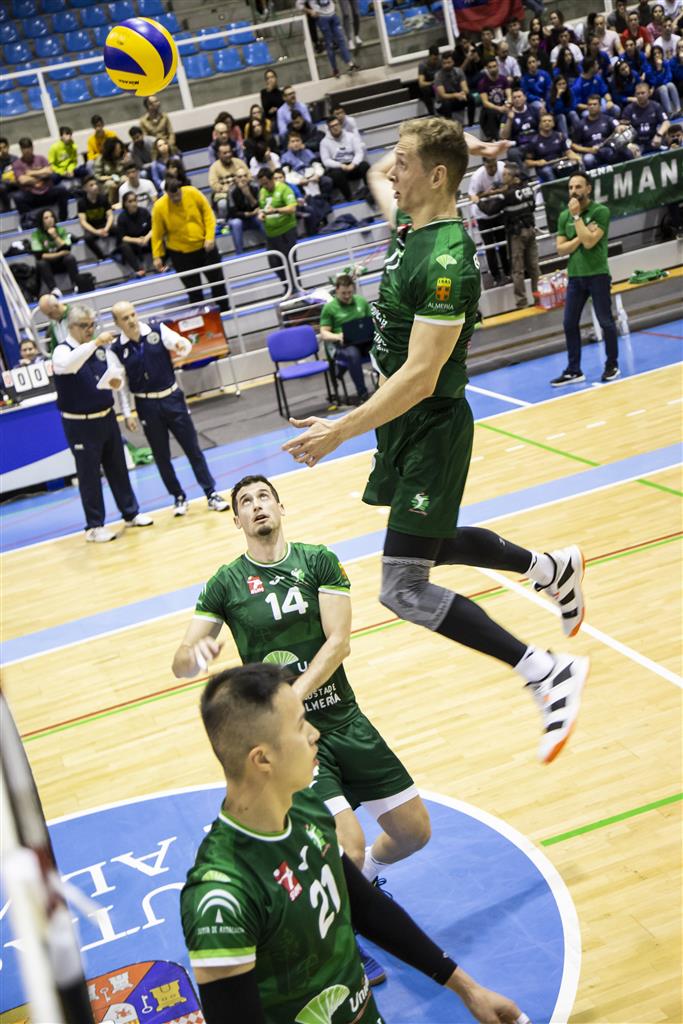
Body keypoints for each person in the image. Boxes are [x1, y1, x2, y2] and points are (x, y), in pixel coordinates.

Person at [283, 118, 589, 766]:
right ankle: (549, 569)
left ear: (435, 176)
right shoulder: (409, 220)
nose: (389, 171)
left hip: (431, 425)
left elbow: (421, 377)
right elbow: (374, 171)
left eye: (402, 162)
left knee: (402, 586)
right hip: (400, 423)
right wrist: (465, 146)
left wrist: (339, 430)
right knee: (431, 541)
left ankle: (544, 671)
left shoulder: (447, 260)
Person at [173, 475, 438, 985]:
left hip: (345, 719)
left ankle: (365, 885)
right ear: (236, 520)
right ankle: (343, 938)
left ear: (280, 507)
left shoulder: (317, 561)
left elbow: (339, 642)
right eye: (245, 502)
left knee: (414, 832)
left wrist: (294, 692)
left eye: (264, 497)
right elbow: (182, 661)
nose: (257, 506)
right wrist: (195, 655)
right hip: (293, 739)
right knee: (347, 845)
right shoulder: (225, 584)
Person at [180, 663, 526, 1024]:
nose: (315, 733)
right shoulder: (221, 897)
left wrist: (468, 990)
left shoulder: (305, 807)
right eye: (300, 724)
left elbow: (365, 906)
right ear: (262, 758)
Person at [110, 301, 229, 515]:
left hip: (172, 398)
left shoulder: (157, 331)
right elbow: (121, 386)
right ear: (117, 322)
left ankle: (211, 493)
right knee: (161, 455)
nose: (131, 320)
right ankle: (178, 496)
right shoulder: (117, 349)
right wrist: (127, 414)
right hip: (146, 404)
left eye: (133, 315)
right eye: (125, 318)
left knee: (192, 448)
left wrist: (182, 346)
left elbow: (182, 344)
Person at [52, 304, 153, 543]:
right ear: (72, 326)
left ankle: (131, 513)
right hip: (80, 424)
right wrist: (95, 343)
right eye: (85, 326)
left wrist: (119, 388)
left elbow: (115, 375)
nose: (90, 330)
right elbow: (68, 365)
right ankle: (94, 526)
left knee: (118, 467)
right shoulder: (62, 351)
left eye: (92, 325)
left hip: (106, 417)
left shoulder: (99, 350)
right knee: (89, 475)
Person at [552, 171, 619, 387]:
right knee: (569, 323)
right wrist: (580, 236)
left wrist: (577, 219)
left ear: (588, 189)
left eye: (578, 187)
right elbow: (561, 249)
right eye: (571, 187)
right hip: (575, 276)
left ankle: (611, 365)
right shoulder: (564, 216)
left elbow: (590, 243)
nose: (574, 191)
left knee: (605, 321)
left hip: (597, 274)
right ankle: (574, 370)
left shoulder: (601, 212)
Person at [151, 180, 229, 314]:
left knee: (218, 283)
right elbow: (157, 233)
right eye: (172, 196)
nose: (176, 198)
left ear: (181, 189)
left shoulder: (193, 193)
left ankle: (225, 312)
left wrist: (210, 237)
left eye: (178, 194)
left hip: (205, 248)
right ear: (167, 193)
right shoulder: (159, 206)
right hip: (181, 254)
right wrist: (157, 255)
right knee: (194, 291)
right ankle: (200, 319)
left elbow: (208, 215)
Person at [319, 275, 373, 401]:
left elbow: (371, 321)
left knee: (382, 347)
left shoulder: (361, 301)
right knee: (353, 354)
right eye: (343, 293)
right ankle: (363, 394)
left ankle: (386, 386)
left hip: (364, 341)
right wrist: (338, 336)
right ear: (337, 290)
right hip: (343, 344)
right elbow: (324, 333)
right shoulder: (329, 308)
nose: (347, 296)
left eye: (350, 292)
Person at [499, 162, 539, 308]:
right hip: (530, 230)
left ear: (514, 177)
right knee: (534, 267)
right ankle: (539, 297)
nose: (503, 177)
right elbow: (533, 207)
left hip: (517, 234)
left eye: (505, 174)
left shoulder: (507, 195)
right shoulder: (528, 189)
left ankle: (522, 302)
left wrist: (477, 201)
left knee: (518, 269)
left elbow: (490, 209)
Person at [467, 155, 510, 286]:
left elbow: (509, 185)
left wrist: (492, 192)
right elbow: (472, 196)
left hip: (498, 211)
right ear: (484, 165)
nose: (493, 169)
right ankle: (496, 277)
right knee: (489, 247)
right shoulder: (477, 176)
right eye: (489, 167)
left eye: (494, 165)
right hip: (482, 215)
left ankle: (508, 272)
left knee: (503, 244)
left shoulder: (502, 168)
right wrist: (489, 193)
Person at [12, 137, 69, 228]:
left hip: (46, 192)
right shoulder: (17, 163)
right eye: (24, 148)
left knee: (62, 190)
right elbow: (22, 180)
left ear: (32, 147)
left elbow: (49, 171)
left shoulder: (41, 158)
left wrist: (31, 173)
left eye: (28, 147)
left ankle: (63, 219)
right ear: (21, 149)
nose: (27, 150)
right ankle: (29, 223)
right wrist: (40, 175)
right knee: (18, 197)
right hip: (31, 195)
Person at [256, 167, 298, 283]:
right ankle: (287, 285)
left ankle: (295, 286)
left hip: (286, 231)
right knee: (274, 263)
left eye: (266, 183)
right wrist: (261, 214)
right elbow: (262, 208)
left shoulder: (284, 189)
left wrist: (276, 210)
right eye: (262, 184)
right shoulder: (262, 191)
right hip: (271, 234)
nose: (264, 186)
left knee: (290, 262)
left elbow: (292, 208)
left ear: (272, 179)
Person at [299, 0, 356, 78]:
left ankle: (350, 64)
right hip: (322, 17)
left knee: (341, 39)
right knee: (330, 43)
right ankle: (335, 69)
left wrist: (334, 4)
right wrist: (310, 11)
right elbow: (299, 4)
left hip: (333, 14)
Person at [30, 208, 80, 297]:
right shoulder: (36, 235)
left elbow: (67, 249)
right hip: (48, 267)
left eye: (51, 217)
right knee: (41, 263)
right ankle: (54, 289)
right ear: (41, 221)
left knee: (70, 258)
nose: (50, 219)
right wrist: (60, 254)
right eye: (46, 218)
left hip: (62, 263)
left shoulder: (61, 230)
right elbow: (39, 255)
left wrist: (55, 236)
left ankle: (76, 284)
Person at [570, 95, 629, 169]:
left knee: (624, 151)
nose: (592, 106)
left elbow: (617, 127)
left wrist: (619, 128)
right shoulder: (580, 124)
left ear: (600, 106)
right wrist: (589, 150)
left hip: (608, 149)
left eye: (595, 104)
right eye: (590, 104)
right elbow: (574, 145)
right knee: (588, 159)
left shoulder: (607, 119)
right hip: (591, 153)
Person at [319, 115, 370, 200]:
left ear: (340, 125)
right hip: (338, 169)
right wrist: (341, 165)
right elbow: (326, 161)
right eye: (332, 126)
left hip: (352, 165)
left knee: (365, 165)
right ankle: (349, 197)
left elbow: (359, 152)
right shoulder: (324, 142)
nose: (335, 128)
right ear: (329, 128)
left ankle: (369, 192)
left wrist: (353, 164)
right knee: (336, 174)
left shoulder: (351, 136)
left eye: (337, 124)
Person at [524, 112, 579, 182]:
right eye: (544, 121)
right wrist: (537, 162)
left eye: (549, 121)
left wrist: (577, 158)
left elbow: (568, 152)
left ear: (553, 124)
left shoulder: (559, 136)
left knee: (575, 163)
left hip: (560, 164)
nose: (547, 123)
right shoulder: (534, 141)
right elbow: (527, 162)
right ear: (540, 124)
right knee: (547, 171)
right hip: (544, 167)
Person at [226, 169, 266, 254]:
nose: (243, 179)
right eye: (240, 177)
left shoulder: (255, 187)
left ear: (248, 177)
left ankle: (271, 245)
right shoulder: (231, 191)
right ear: (235, 179)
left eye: (245, 176)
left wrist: (248, 194)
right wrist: (248, 214)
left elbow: (259, 206)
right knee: (236, 223)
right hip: (239, 218)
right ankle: (239, 254)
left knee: (261, 217)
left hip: (253, 217)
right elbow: (232, 213)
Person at [623, 81, 671, 152]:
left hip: (654, 139)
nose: (640, 96)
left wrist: (659, 135)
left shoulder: (656, 106)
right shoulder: (628, 109)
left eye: (643, 93)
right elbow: (623, 128)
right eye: (638, 93)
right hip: (637, 143)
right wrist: (630, 144)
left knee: (671, 135)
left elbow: (666, 122)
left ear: (649, 93)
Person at [208, 142, 249, 225]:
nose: (228, 155)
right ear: (219, 155)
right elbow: (213, 184)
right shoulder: (214, 167)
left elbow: (249, 176)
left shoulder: (239, 162)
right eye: (225, 153)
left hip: (240, 192)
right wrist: (225, 189)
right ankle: (223, 224)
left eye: (229, 152)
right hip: (224, 194)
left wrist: (241, 184)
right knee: (222, 204)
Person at [77, 175, 114, 262]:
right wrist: (96, 232)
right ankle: (101, 257)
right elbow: (83, 222)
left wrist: (106, 229)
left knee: (119, 230)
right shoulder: (81, 202)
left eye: (95, 184)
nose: (95, 187)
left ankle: (119, 250)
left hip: (104, 225)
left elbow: (110, 216)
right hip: (92, 228)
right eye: (91, 185)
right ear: (85, 188)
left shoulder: (103, 198)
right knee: (87, 238)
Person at [115, 191, 152, 277]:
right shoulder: (122, 217)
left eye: (135, 200)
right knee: (124, 246)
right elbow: (123, 237)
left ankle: (161, 264)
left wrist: (146, 238)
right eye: (130, 201)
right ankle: (139, 270)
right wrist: (137, 240)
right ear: (125, 204)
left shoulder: (144, 212)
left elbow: (153, 228)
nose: (133, 203)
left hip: (146, 239)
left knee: (158, 237)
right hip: (133, 243)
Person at [500, 87, 540, 164]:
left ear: (525, 98)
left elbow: (541, 128)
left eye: (519, 96)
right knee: (512, 153)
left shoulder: (533, 109)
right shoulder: (507, 115)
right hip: (519, 145)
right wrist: (510, 120)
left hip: (535, 142)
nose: (517, 99)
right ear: (512, 100)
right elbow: (503, 136)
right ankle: (524, 171)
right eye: (514, 98)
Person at [477, 58, 512, 140]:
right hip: (491, 109)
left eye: (494, 66)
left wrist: (507, 104)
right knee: (491, 113)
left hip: (503, 105)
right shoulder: (482, 83)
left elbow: (509, 96)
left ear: (498, 66)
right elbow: (485, 102)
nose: (493, 69)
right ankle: (496, 138)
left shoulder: (503, 79)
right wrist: (499, 108)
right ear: (486, 68)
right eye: (490, 67)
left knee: (511, 109)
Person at [433, 50, 470, 124]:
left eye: (449, 62)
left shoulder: (459, 71)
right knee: (446, 104)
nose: (447, 65)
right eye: (444, 63)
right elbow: (443, 95)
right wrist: (456, 95)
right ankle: (450, 125)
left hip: (457, 98)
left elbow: (466, 89)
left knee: (470, 98)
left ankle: (471, 124)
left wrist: (462, 93)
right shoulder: (438, 76)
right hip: (442, 102)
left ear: (453, 62)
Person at [645, 45, 682, 116]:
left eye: (659, 53)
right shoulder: (649, 67)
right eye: (655, 54)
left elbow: (669, 77)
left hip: (665, 86)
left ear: (662, 54)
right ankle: (669, 113)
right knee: (663, 88)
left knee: (671, 85)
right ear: (652, 56)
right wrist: (659, 69)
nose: (657, 55)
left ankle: (678, 109)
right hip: (655, 92)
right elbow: (654, 82)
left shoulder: (665, 63)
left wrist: (662, 81)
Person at [93, 137, 127, 205]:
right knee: (112, 185)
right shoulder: (101, 159)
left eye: (120, 148)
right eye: (117, 149)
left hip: (119, 178)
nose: (119, 150)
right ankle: (111, 204)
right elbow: (97, 176)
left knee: (125, 180)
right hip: (105, 182)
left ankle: (126, 201)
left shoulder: (122, 156)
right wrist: (111, 177)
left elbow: (125, 170)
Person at [418, 44, 442, 114]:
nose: (435, 61)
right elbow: (421, 83)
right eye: (434, 59)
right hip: (429, 86)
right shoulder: (423, 65)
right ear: (429, 56)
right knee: (425, 89)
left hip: (439, 85)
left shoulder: (440, 62)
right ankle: (431, 112)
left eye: (437, 59)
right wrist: (432, 82)